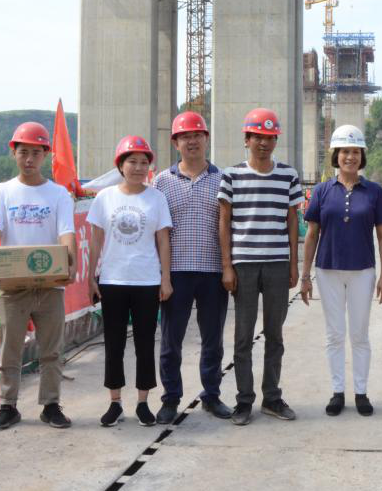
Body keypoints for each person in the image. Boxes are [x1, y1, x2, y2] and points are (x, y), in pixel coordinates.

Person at [0, 121, 77, 431]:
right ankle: (7, 405)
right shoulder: (2, 192)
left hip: (49, 285)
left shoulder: (59, 194)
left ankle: (50, 405)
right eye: (23, 152)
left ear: (45, 155)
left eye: (36, 153)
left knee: (51, 348)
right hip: (12, 285)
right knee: (10, 347)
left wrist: (70, 261)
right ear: (14, 153)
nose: (29, 159)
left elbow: (66, 232)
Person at [218, 108, 303, 425]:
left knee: (275, 335)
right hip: (244, 265)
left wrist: (293, 263)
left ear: (276, 140)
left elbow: (292, 220)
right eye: (258, 137)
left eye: (270, 138)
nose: (264, 143)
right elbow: (224, 222)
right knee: (243, 336)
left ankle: (272, 397)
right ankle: (244, 400)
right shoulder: (232, 175)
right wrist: (227, 266)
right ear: (247, 139)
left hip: (278, 263)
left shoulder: (288, 175)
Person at [300, 125, 382, 417]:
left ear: (362, 156)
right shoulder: (322, 191)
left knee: (360, 334)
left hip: (363, 271)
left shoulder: (374, 191)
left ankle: (361, 392)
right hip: (327, 270)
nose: (350, 157)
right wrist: (305, 276)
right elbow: (311, 234)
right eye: (344, 152)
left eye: (355, 152)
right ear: (335, 155)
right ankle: (337, 391)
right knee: (335, 334)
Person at [86, 135, 172, 428]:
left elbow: (163, 240)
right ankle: (115, 402)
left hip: (147, 280)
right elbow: (96, 240)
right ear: (120, 166)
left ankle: (143, 402)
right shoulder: (105, 198)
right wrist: (91, 277)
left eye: (143, 162)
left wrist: (165, 278)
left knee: (146, 344)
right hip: (113, 280)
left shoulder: (156, 198)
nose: (138, 167)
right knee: (114, 343)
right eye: (132, 161)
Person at [153, 111, 232, 423]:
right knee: (171, 341)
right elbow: (157, 232)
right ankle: (170, 399)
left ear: (206, 139)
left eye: (197, 135)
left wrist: (228, 267)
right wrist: (162, 276)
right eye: (185, 136)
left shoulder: (223, 179)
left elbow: (229, 226)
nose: (192, 141)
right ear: (175, 143)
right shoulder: (162, 181)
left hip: (213, 271)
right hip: (176, 273)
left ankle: (211, 396)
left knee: (213, 340)